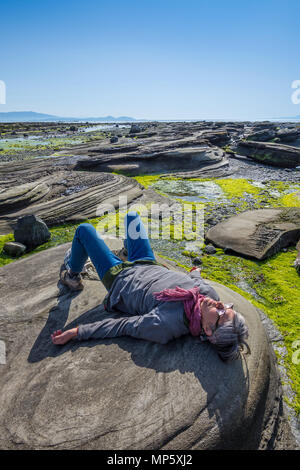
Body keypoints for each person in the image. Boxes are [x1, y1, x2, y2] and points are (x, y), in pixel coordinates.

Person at [51, 211, 250, 361]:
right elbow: (197, 283)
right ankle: (126, 253)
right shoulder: (210, 295)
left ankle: (72, 274)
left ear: (208, 330)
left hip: (120, 278)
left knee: (84, 230)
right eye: (228, 307)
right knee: (131, 216)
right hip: (146, 262)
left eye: (222, 313)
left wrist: (78, 332)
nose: (222, 305)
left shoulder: (166, 324)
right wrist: (194, 274)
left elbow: (122, 326)